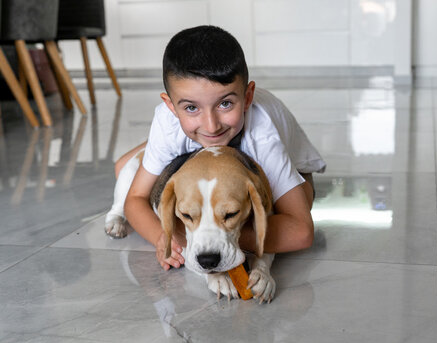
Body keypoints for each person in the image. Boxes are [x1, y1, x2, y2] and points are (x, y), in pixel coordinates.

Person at [116, 25, 326, 270]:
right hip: (209, 139)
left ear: (247, 98)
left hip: (287, 155)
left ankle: (175, 142)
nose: (211, 124)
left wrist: (217, 235)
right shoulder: (167, 121)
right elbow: (135, 199)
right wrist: (162, 236)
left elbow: (301, 232)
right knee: (122, 168)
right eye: (191, 108)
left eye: (225, 103)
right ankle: (157, 145)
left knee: (296, 200)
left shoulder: (262, 136)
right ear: (171, 107)